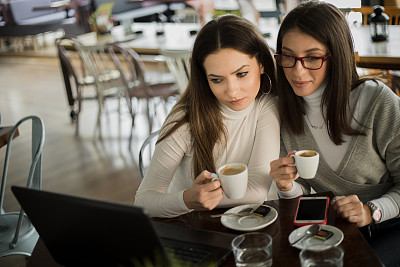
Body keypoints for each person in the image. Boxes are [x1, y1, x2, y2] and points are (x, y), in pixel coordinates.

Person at [269, 2, 400, 266]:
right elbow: (305, 192)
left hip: (390, 225)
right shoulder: (284, 108)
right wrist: (286, 186)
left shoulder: (377, 101)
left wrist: (371, 211)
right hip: (336, 229)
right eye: (287, 56)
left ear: (336, 55)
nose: (297, 70)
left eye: (313, 57)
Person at [134, 15, 280, 218]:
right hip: (188, 225)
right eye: (217, 80)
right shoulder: (184, 119)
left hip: (242, 223)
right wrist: (186, 199)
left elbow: (256, 191)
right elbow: (143, 201)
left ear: (262, 64)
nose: (232, 91)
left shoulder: (267, 105)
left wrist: (205, 199)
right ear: (204, 78)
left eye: (241, 74)